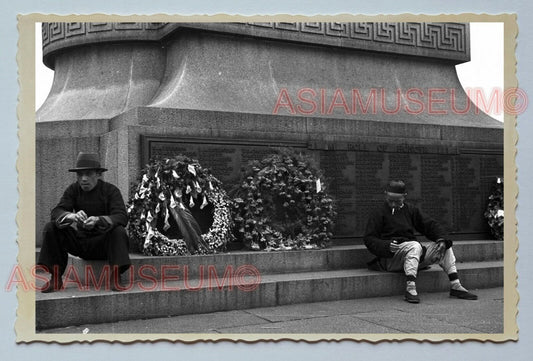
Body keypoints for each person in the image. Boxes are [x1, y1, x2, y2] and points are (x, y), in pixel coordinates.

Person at [363, 180, 478, 303]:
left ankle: (455, 285)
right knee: (415, 245)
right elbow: (369, 239)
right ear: (386, 195)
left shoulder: (411, 210)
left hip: (412, 255)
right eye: (390, 200)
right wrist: (386, 246)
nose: (393, 204)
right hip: (391, 259)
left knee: (443, 245)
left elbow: (430, 225)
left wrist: (442, 240)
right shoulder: (378, 212)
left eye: (397, 201)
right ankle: (410, 288)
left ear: (404, 197)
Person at [37, 152, 131, 292]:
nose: (83, 179)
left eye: (88, 174)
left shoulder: (111, 191)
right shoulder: (73, 189)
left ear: (98, 174)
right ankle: (55, 278)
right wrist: (71, 216)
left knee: (118, 231)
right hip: (81, 243)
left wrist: (98, 220)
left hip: (103, 244)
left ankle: (115, 277)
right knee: (51, 227)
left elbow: (122, 216)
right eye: (80, 175)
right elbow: (56, 212)